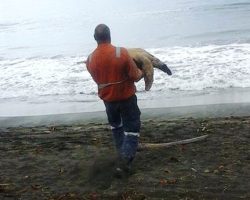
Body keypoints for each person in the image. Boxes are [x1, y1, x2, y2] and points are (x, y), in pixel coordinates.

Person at [86, 24, 143, 176]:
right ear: (110, 36)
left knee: (117, 127)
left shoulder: (90, 59)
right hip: (126, 99)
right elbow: (135, 76)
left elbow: (98, 80)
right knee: (132, 130)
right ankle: (123, 163)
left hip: (108, 102)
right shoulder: (121, 53)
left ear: (95, 38)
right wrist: (143, 71)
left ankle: (121, 157)